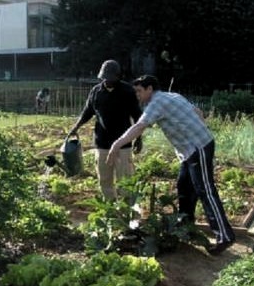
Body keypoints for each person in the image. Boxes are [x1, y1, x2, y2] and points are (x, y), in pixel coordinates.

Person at [107, 75, 236, 255]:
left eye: (139, 91)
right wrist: (198, 128)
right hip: (193, 149)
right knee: (184, 187)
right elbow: (198, 111)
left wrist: (116, 144)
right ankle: (186, 228)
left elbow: (139, 126)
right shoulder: (173, 96)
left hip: (198, 147)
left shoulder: (156, 104)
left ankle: (225, 236)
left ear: (150, 89)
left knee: (205, 190)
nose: (137, 95)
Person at [67, 60, 142, 201]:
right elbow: (87, 112)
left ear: (118, 77)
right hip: (102, 142)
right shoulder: (96, 91)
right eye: (105, 79)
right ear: (101, 77)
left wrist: (139, 138)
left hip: (123, 143)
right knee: (104, 179)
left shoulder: (127, 91)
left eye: (111, 79)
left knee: (126, 180)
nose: (108, 82)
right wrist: (75, 127)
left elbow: (137, 115)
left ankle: (128, 213)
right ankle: (111, 209)